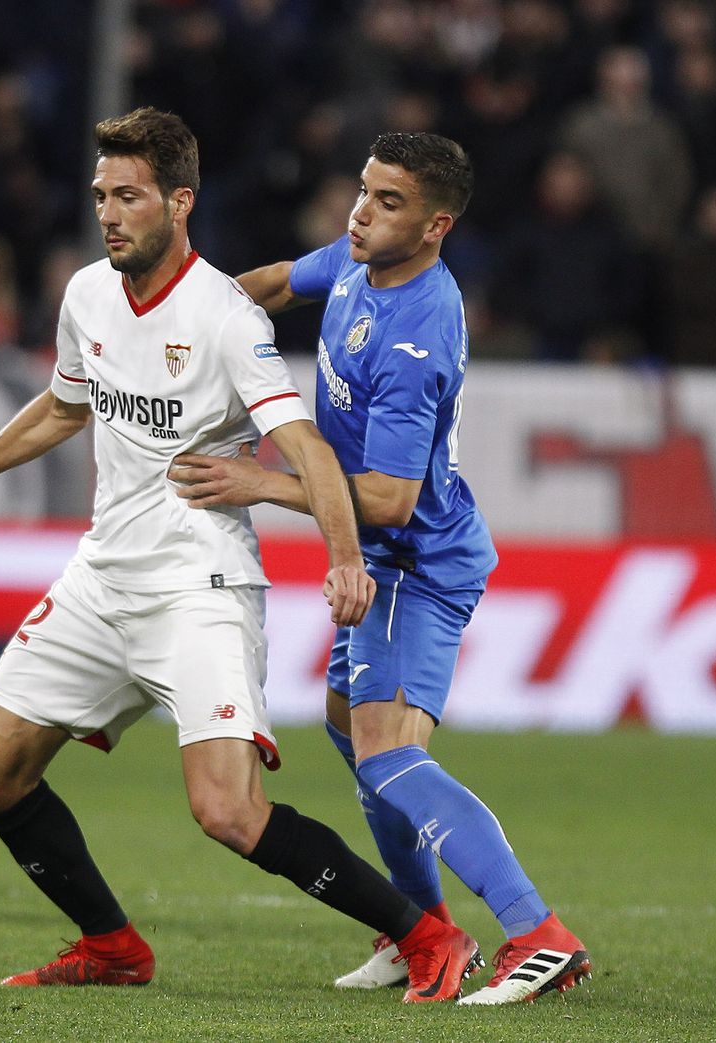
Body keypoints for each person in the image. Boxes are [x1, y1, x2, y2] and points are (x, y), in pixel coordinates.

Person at [0, 107, 480, 1000]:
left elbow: (307, 448)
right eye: (99, 197)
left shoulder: (227, 318)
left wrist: (344, 557)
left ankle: (427, 935)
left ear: (178, 201)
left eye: (128, 197)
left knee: (227, 812)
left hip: (201, 583)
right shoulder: (86, 295)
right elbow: (64, 407)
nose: (108, 214)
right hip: (102, 574)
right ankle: (113, 945)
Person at [188, 132, 592, 1004]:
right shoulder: (358, 257)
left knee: (383, 755)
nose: (362, 211)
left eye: (389, 202)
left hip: (413, 559)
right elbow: (263, 286)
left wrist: (261, 480)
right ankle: (422, 929)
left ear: (437, 224)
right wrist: (183, 316)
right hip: (377, 558)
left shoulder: (418, 336)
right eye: (364, 191)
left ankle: (538, 930)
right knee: (349, 728)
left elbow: (390, 497)